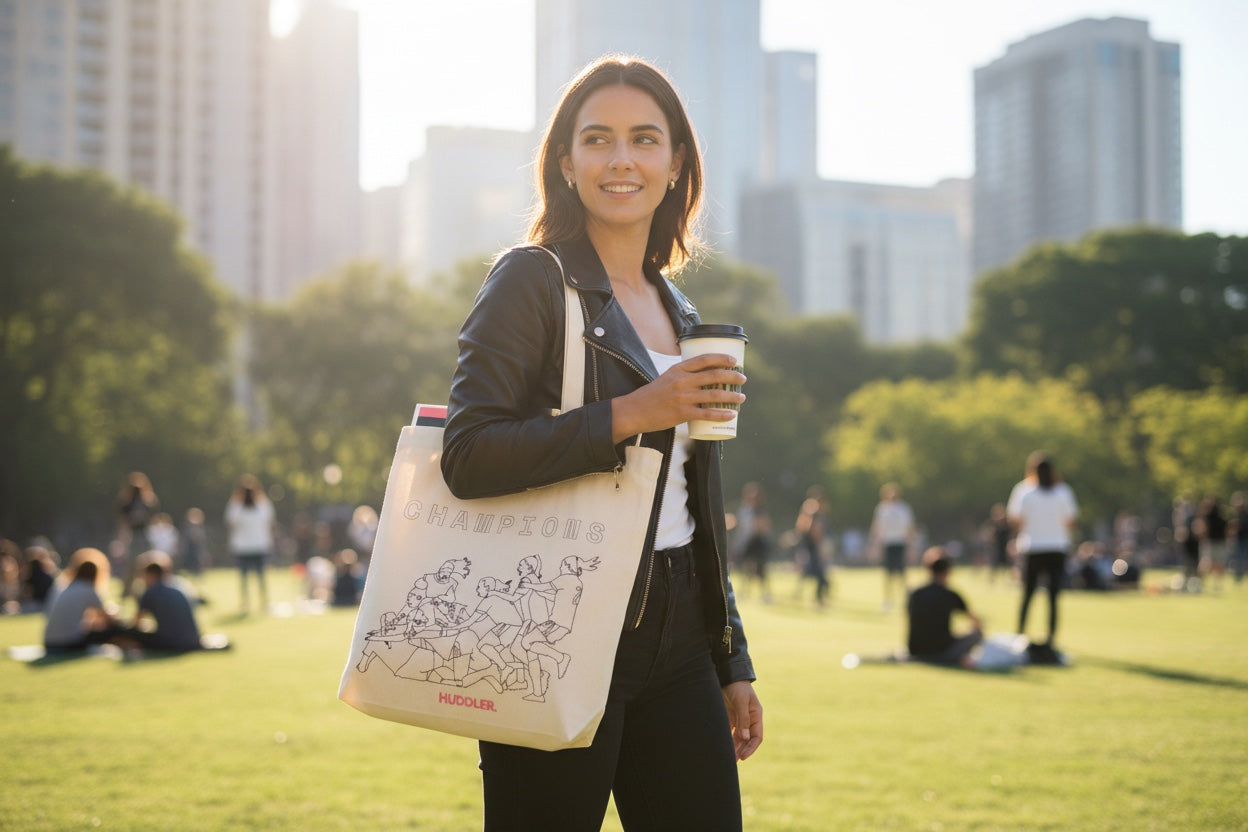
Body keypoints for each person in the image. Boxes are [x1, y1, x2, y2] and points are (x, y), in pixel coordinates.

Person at [439, 56, 761, 832]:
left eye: (645, 139)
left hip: (681, 633)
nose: (623, 159)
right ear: (565, 161)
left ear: (676, 162)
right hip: (554, 618)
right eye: (598, 139)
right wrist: (635, 411)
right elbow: (469, 454)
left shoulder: (681, 309)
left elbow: (694, 503)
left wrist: (731, 661)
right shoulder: (531, 279)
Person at [1008, 451, 1078, 649]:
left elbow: (1015, 519)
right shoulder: (1063, 491)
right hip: (1057, 547)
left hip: (1033, 547)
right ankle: (1051, 636)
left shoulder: (1024, 491)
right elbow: (1071, 520)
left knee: (1028, 594)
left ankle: (1020, 633)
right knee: (1053, 597)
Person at [906, 546, 983, 667]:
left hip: (916, 650)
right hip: (943, 652)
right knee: (977, 634)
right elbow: (976, 621)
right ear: (948, 571)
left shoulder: (915, 593)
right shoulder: (951, 595)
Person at [116, 558, 203, 651]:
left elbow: (137, 622)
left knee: (127, 633)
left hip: (172, 643)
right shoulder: (176, 590)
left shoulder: (150, 592)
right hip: (193, 641)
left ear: (150, 575)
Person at [42, 548, 120, 650]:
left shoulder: (67, 587)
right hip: (68, 643)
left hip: (49, 643)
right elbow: (107, 618)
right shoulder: (89, 589)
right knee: (113, 630)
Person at [225, 474, 275, 615]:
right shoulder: (263, 504)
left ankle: (248, 604)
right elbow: (269, 523)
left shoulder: (236, 505)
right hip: (257, 545)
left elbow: (231, 523)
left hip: (245, 546)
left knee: (246, 577)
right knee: (259, 576)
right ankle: (262, 602)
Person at [870, 482, 916, 611]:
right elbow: (878, 528)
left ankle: (906, 599)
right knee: (888, 574)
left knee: (902, 573)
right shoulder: (882, 509)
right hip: (888, 544)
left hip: (900, 543)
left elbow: (909, 528)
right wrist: (875, 546)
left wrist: (911, 546)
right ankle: (888, 599)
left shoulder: (904, 509)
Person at [116, 471, 159, 599]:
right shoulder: (126, 503)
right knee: (131, 565)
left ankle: (149, 589)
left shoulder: (148, 502)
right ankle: (126, 592)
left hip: (145, 536)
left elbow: (152, 518)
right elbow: (124, 522)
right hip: (134, 536)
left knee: (147, 564)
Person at [793, 486, 831, 608]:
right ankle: (818, 599)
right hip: (812, 547)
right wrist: (820, 546)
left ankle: (808, 595)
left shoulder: (809, 512)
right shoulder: (814, 513)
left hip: (809, 546)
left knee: (812, 572)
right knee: (818, 574)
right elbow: (816, 533)